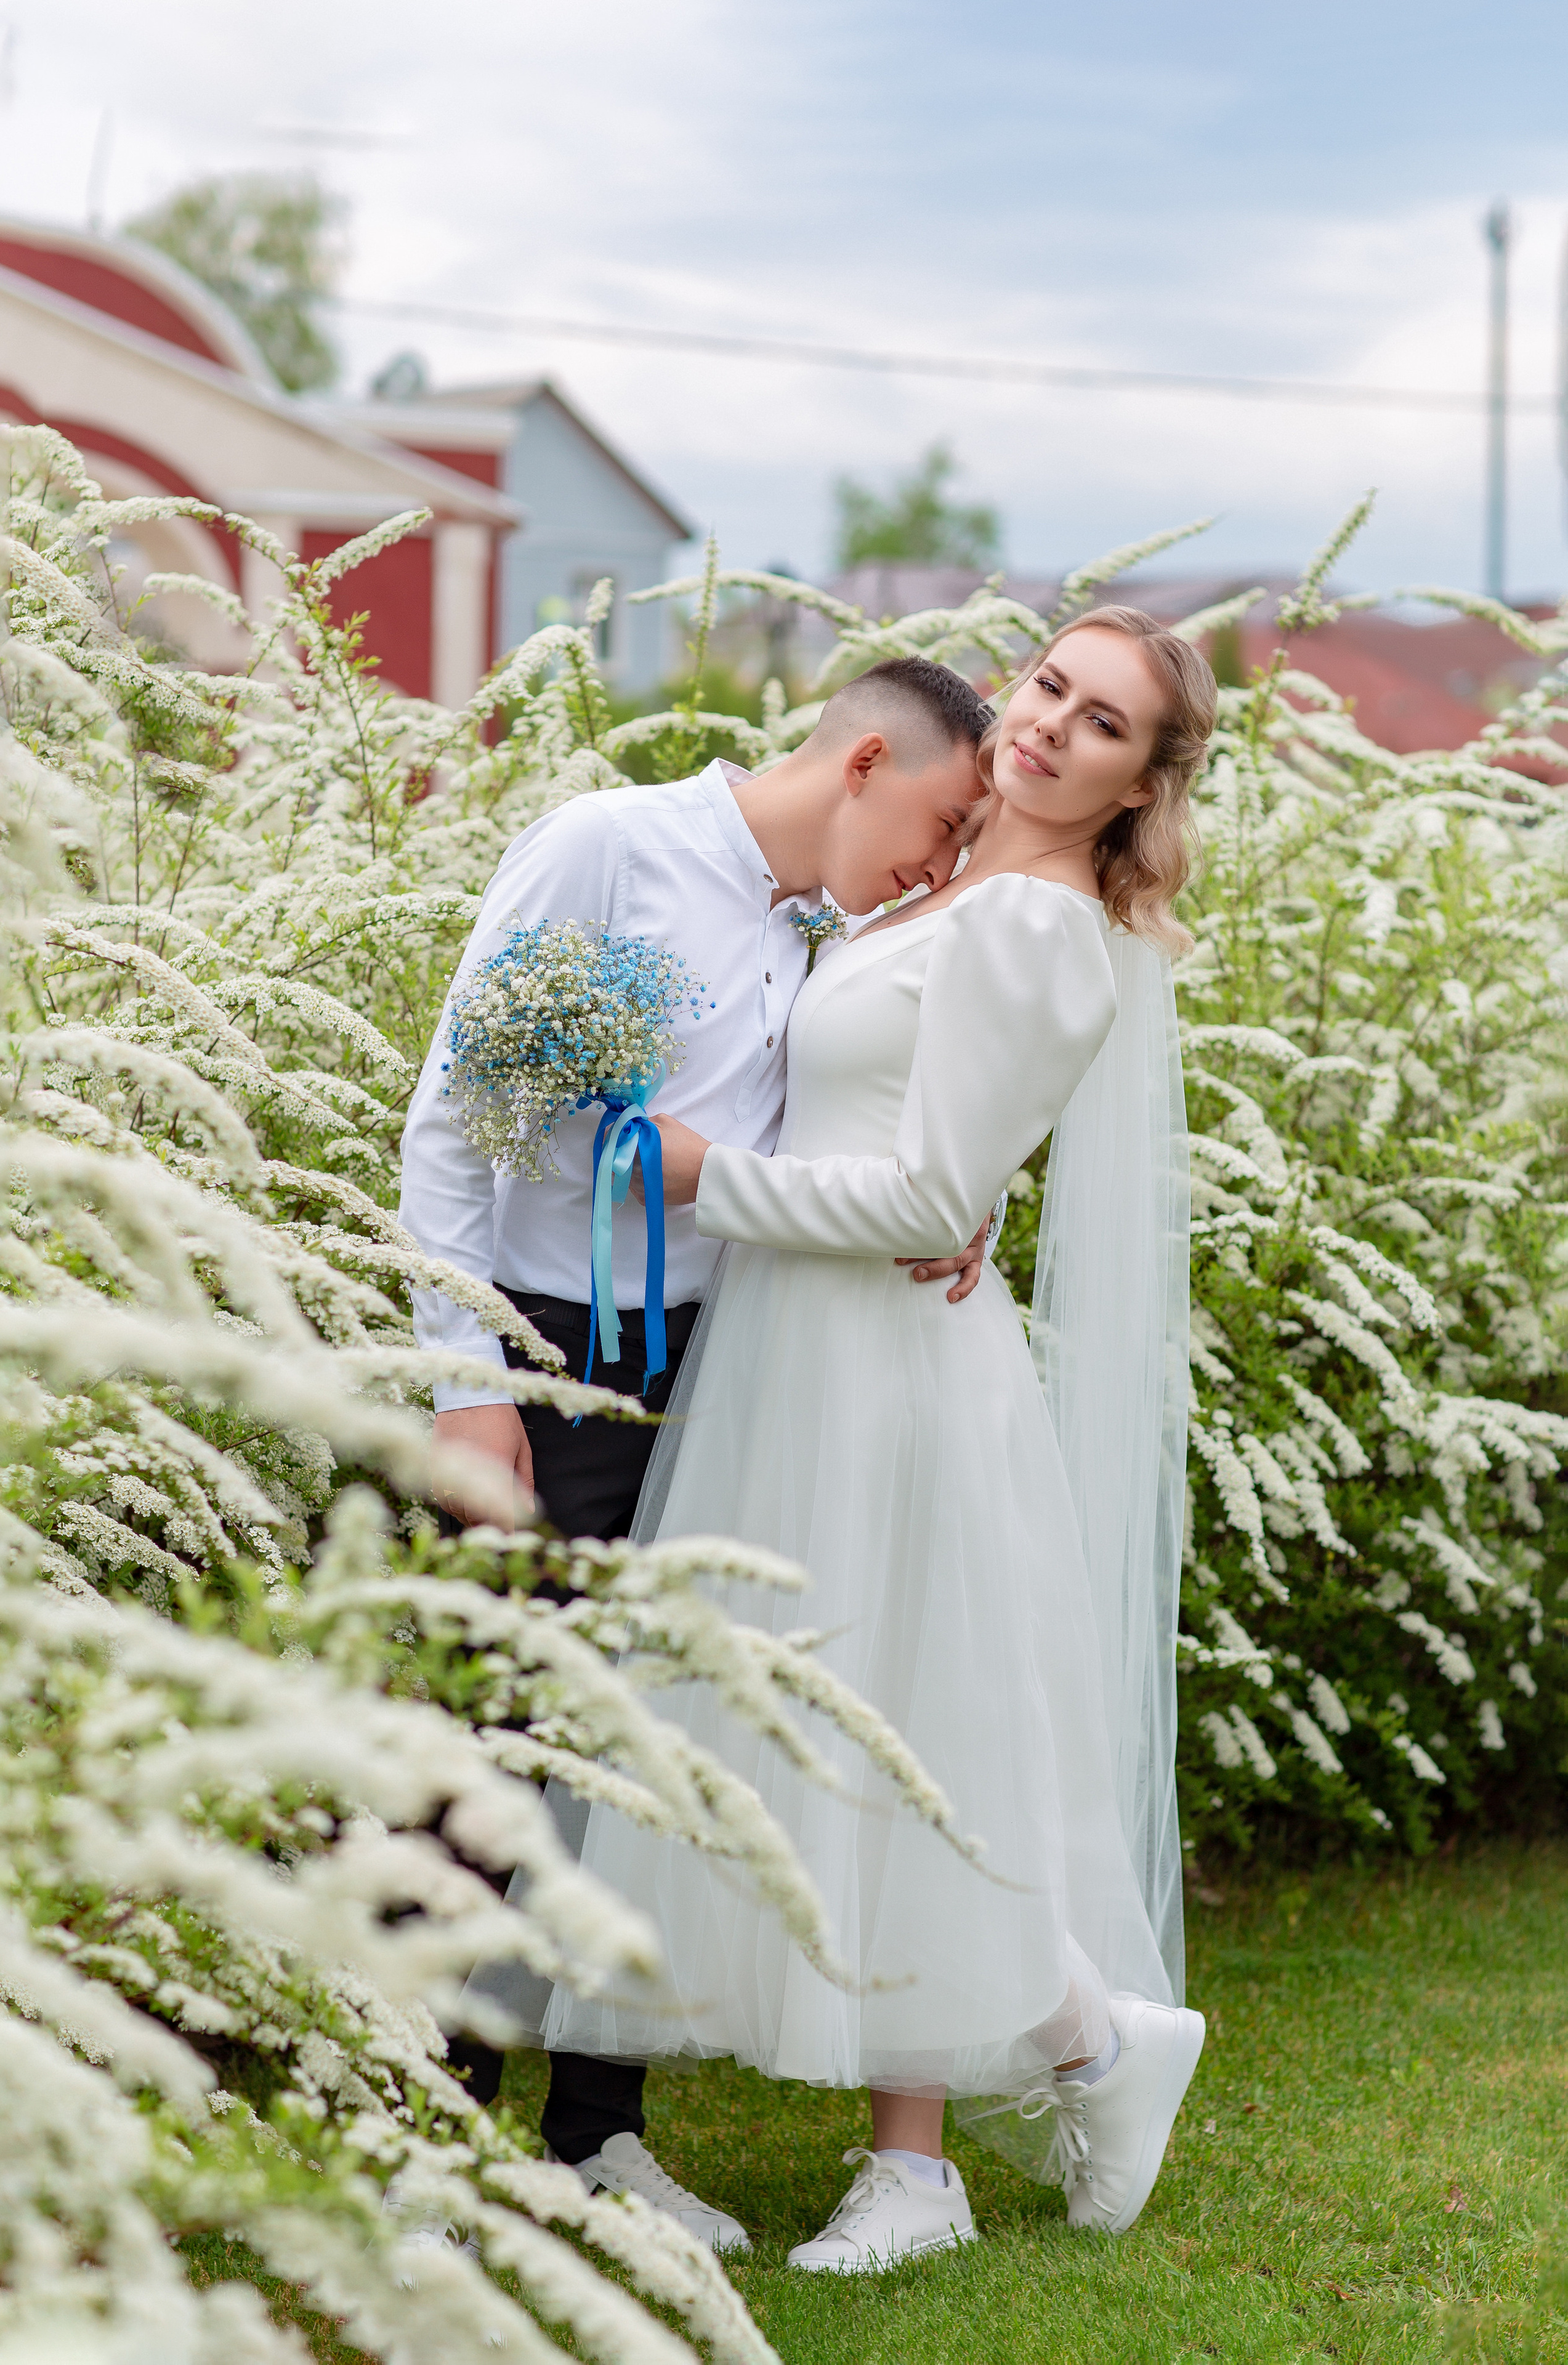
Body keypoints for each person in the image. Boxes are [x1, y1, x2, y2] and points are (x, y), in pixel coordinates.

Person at [543, 607, 1216, 2271]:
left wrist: (701, 1179)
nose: (1055, 725)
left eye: (1106, 724)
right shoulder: (948, 884)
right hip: (804, 1345)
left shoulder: (1045, 931)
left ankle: (1037, 2078)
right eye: (1052, 684)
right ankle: (1035, 2082)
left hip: (893, 1365)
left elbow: (932, 1196)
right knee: (837, 1738)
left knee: (901, 1746)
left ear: (1141, 784)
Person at [398, 655, 995, 2250]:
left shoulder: (822, 932)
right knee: (488, 1748)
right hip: (541, 1351)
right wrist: (468, 1382)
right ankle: (416, 2135)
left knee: (643, 1766)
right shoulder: (612, 845)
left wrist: (956, 1204)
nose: (936, 873)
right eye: (938, 828)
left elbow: (806, 1144)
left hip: (717, 1375)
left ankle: (597, 2135)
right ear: (864, 758)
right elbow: (449, 1122)